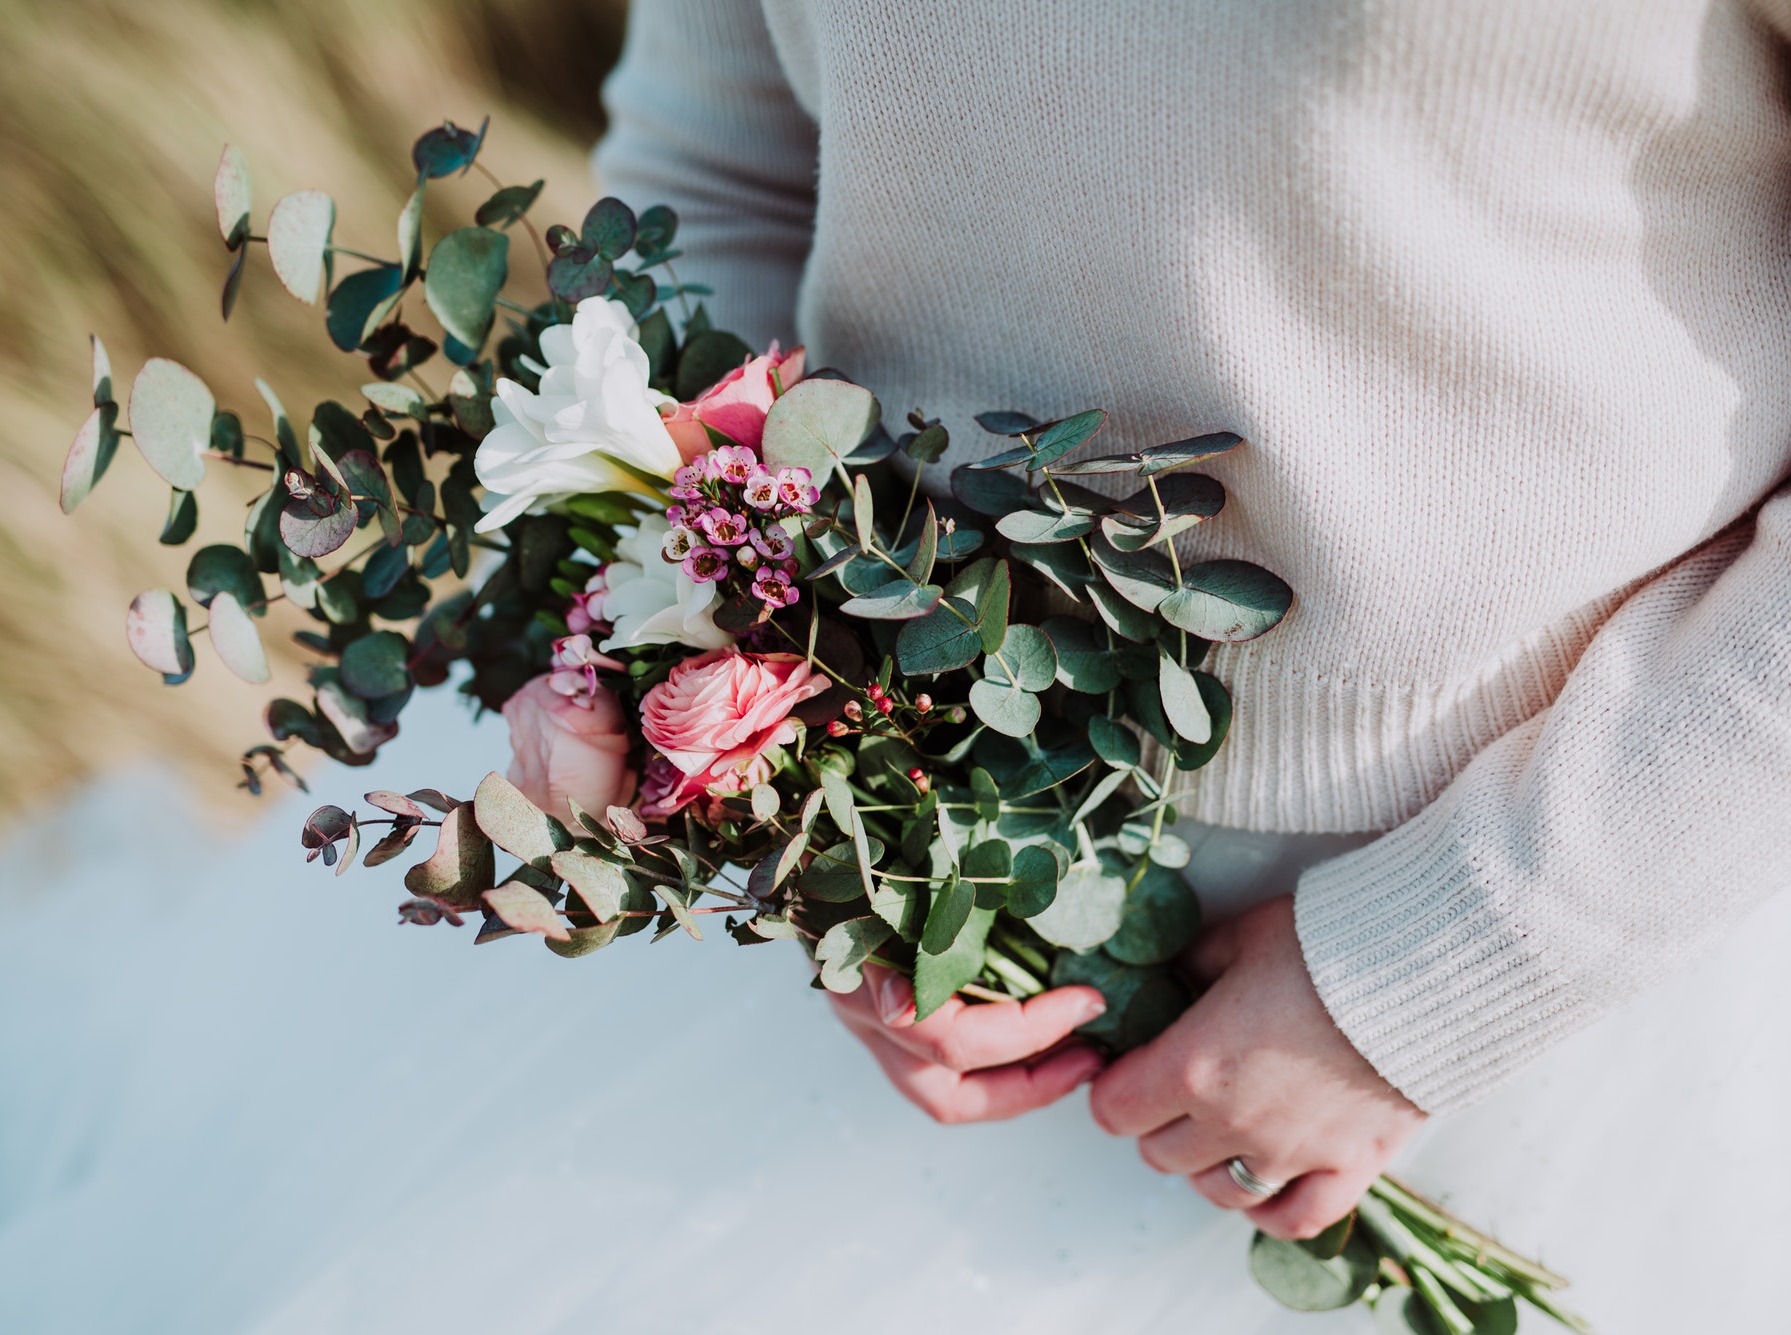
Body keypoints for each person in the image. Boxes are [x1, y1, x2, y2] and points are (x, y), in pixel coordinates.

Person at [595, 0, 1791, 1296]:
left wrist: (1462, 956)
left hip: (1595, 865)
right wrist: (817, 831)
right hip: (922, 853)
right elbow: (715, 185)